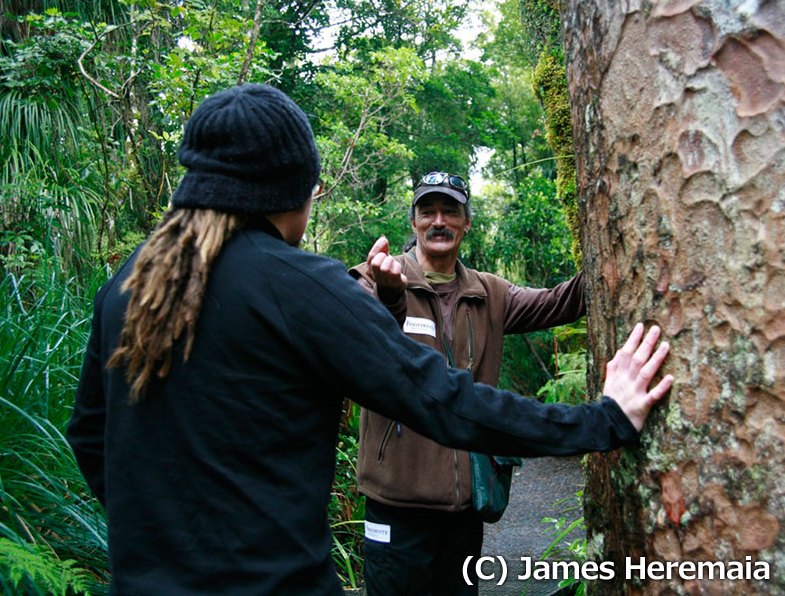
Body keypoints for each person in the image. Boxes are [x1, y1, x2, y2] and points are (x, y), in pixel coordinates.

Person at [66, 83, 674, 596]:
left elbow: (91, 433)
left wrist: (159, 542)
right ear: (296, 190)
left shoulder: (134, 281)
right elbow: (440, 398)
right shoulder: (300, 286)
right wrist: (605, 420)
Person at [349, 173, 590, 595]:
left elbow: (559, 302)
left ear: (466, 223)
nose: (439, 221)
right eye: (428, 212)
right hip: (395, 503)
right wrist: (391, 298)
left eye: (450, 212)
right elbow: (359, 340)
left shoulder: (489, 293)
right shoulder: (374, 278)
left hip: (464, 507)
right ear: (414, 223)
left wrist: (614, 257)